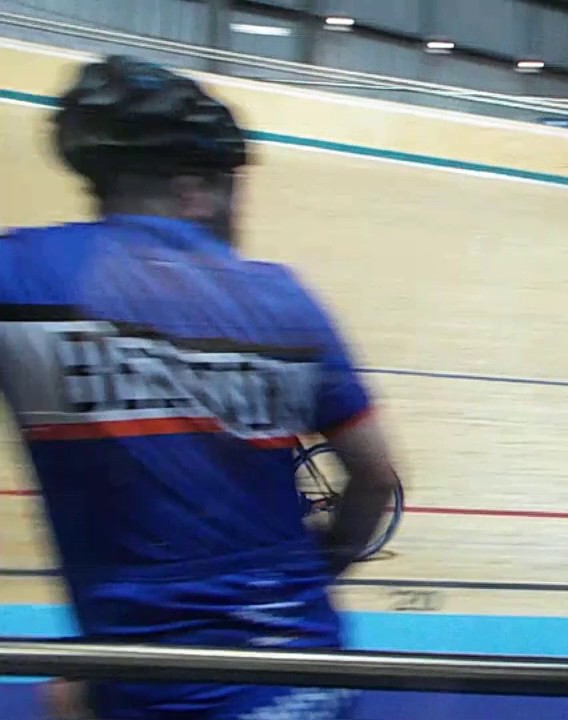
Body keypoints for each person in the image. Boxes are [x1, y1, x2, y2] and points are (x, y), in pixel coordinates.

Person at [0, 55, 402, 719]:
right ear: (196, 188)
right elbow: (378, 478)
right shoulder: (286, 298)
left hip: (152, 690)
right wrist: (317, 566)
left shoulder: (21, 274)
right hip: (309, 680)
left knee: (66, 698)